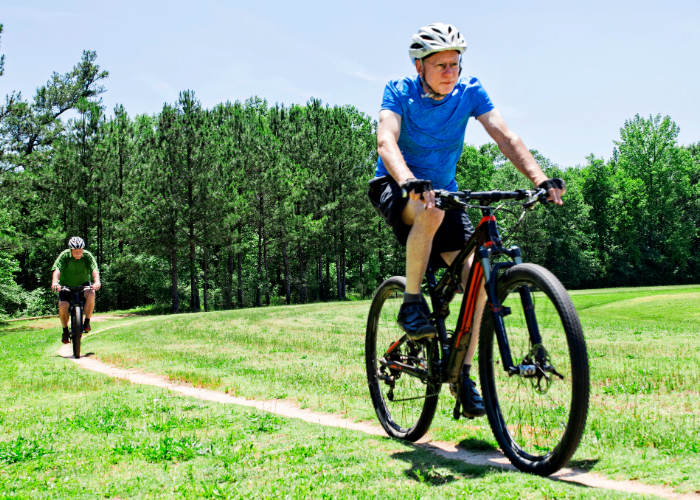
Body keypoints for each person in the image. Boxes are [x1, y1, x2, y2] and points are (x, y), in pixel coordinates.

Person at [368, 23, 566, 418]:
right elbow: (386, 141)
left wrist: (539, 179)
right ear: (419, 66)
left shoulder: (470, 90)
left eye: (454, 64)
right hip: (397, 185)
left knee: (477, 277)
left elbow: (504, 135)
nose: (449, 72)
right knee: (431, 209)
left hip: (445, 190)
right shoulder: (400, 91)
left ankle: (463, 373)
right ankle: (410, 303)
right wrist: (408, 181)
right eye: (439, 64)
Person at [50, 237, 102, 344]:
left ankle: (86, 321)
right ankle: (65, 331)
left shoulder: (87, 256)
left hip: (83, 285)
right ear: (71, 250)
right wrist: (55, 282)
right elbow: (57, 270)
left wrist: (96, 282)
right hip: (66, 286)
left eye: (80, 250)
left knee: (92, 293)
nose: (78, 253)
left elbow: (94, 269)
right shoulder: (65, 256)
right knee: (63, 305)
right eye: (76, 251)